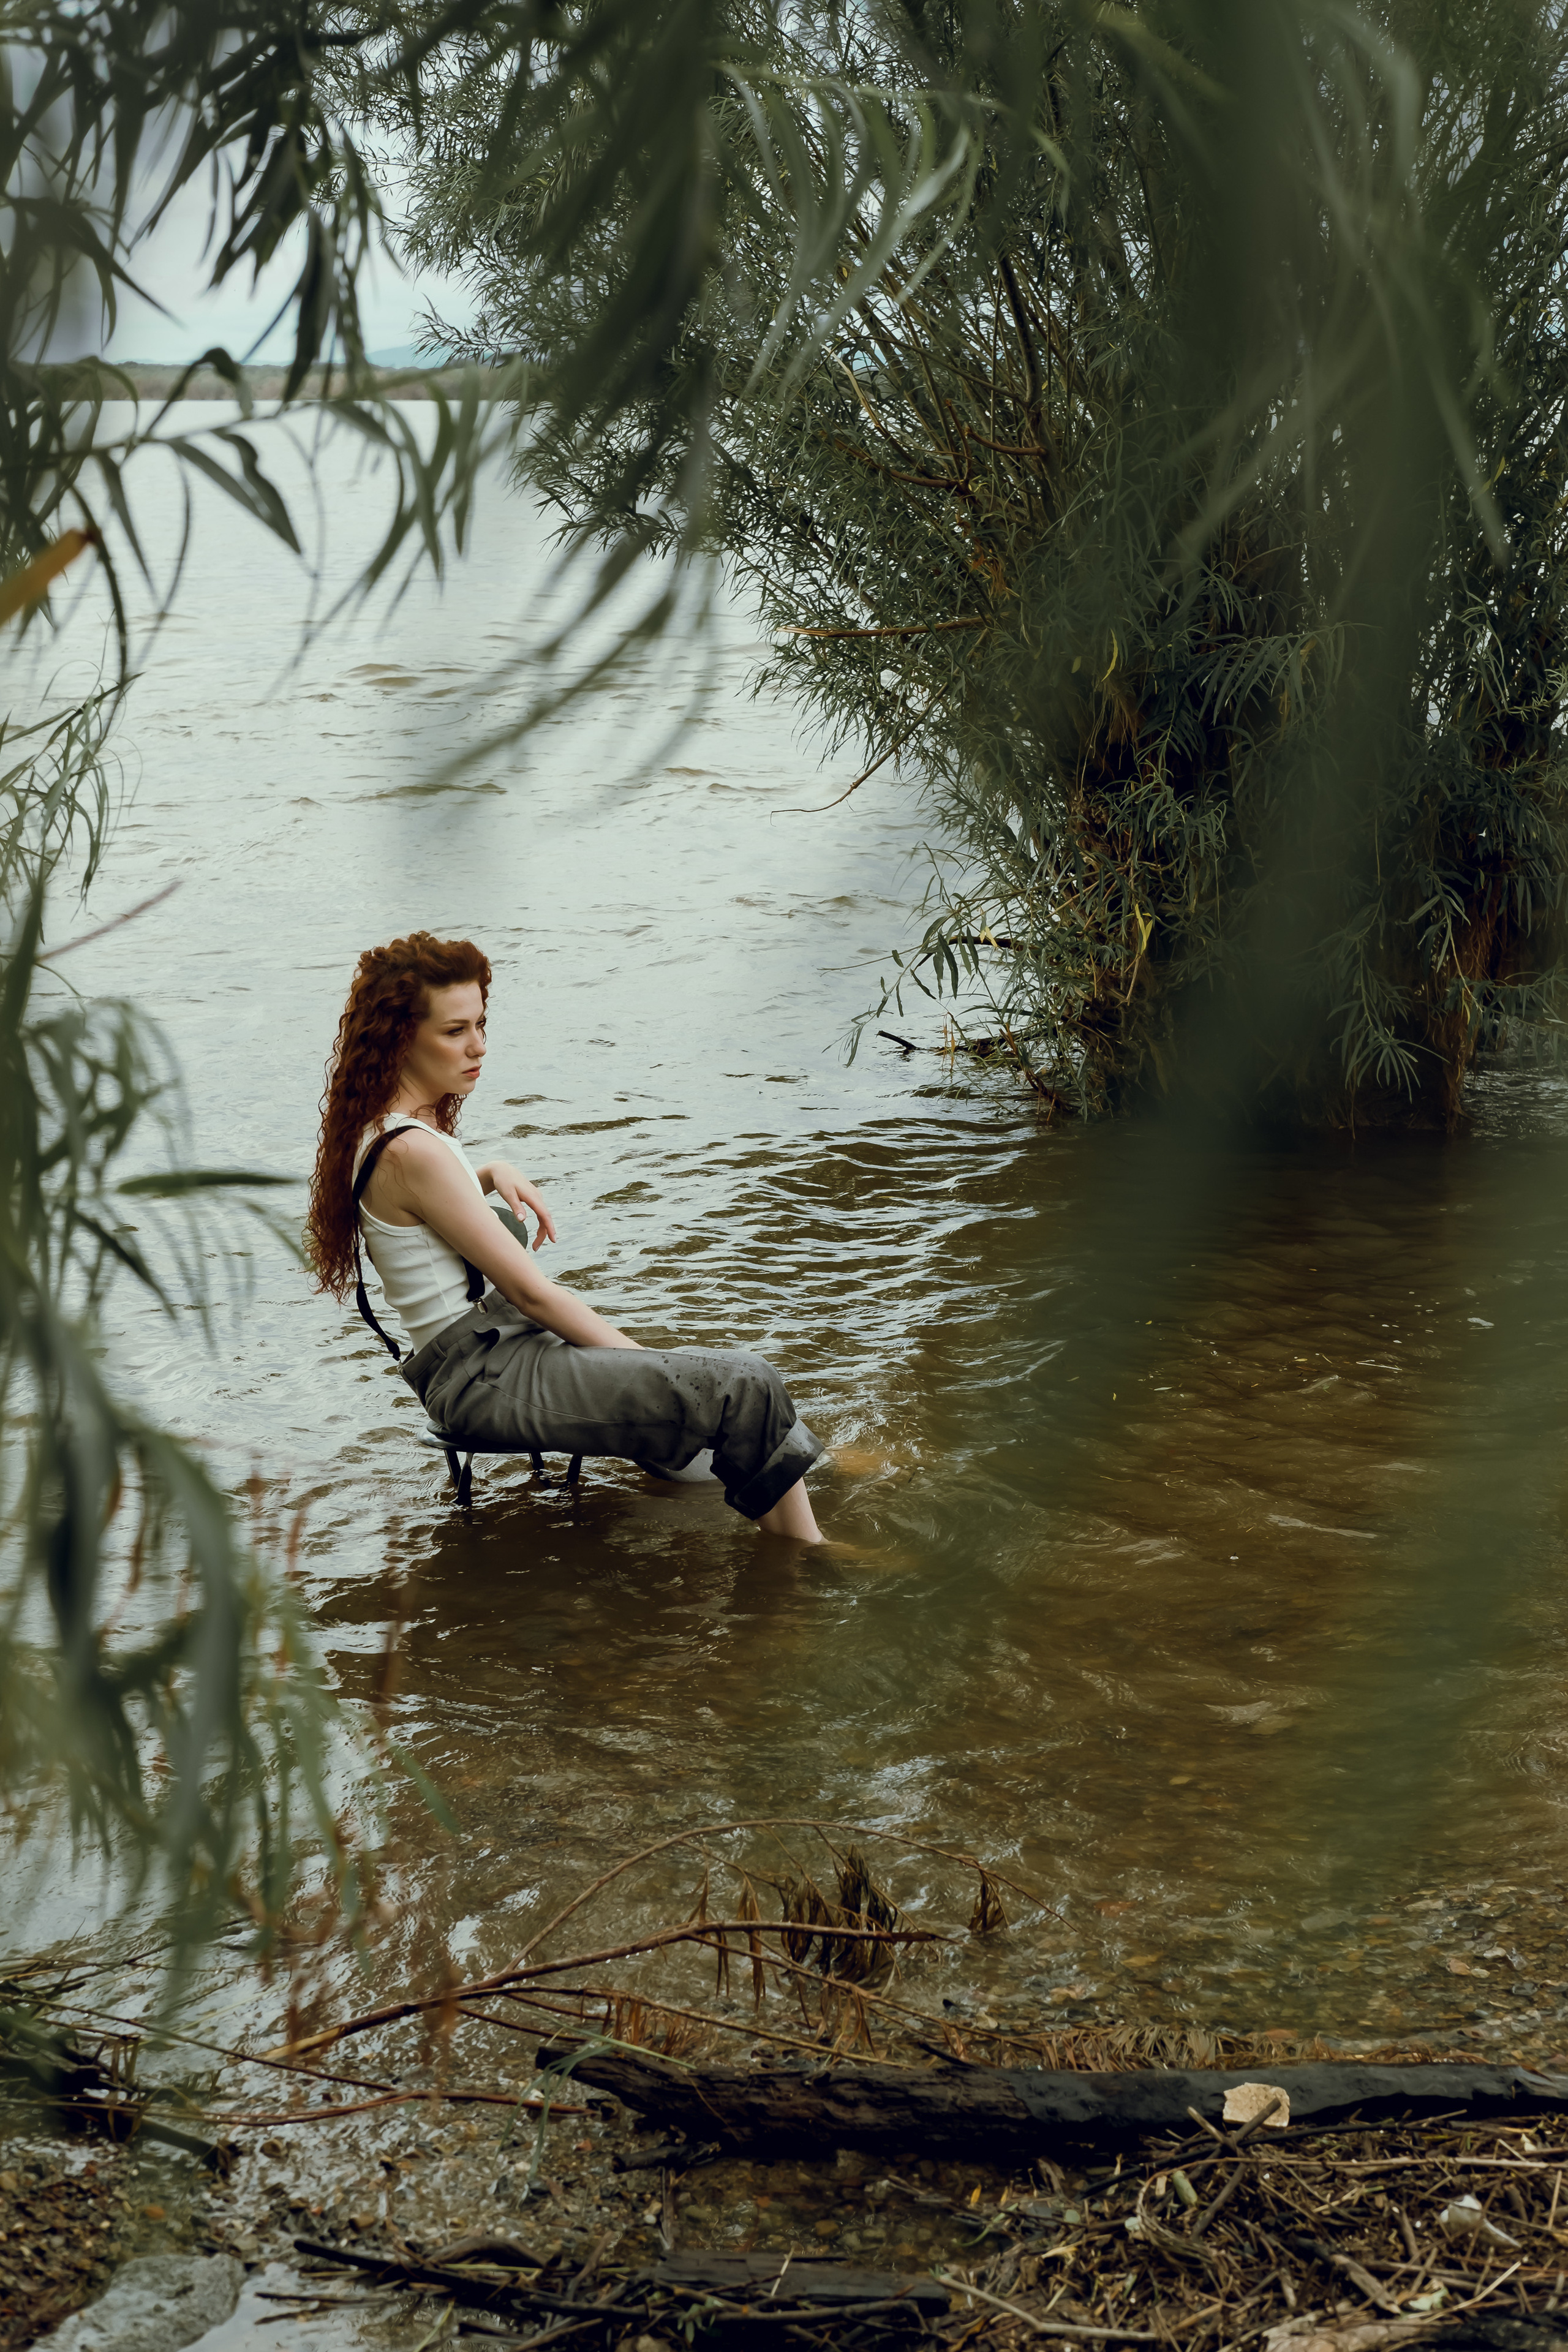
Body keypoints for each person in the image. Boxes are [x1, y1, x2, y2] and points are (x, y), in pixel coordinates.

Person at [306, 932, 825, 1540]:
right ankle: (809, 1557)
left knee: (723, 1394)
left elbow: (419, 1210)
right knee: (743, 1380)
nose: (478, 1046)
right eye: (455, 1031)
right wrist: (647, 1364)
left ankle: (817, 1479)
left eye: (480, 1024)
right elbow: (534, 1296)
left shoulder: (389, 1134)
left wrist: (491, 1169)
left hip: (489, 1356)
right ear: (399, 1035)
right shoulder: (412, 1150)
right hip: (485, 1375)